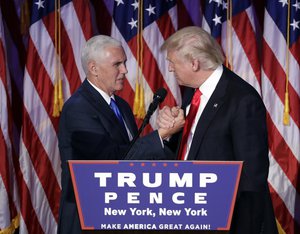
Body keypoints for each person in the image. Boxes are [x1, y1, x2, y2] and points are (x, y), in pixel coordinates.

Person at [57, 35, 184, 234]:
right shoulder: (78, 109)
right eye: (117, 64)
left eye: (124, 63)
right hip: (89, 222)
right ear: (94, 68)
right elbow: (109, 161)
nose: (125, 70)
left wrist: (169, 135)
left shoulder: (121, 105)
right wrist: (159, 135)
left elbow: (134, 157)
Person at [157, 26, 278, 234]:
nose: (169, 68)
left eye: (172, 62)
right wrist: (170, 132)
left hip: (225, 223)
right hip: (190, 215)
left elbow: (251, 177)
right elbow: (190, 150)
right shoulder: (193, 93)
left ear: (194, 63)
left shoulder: (241, 99)